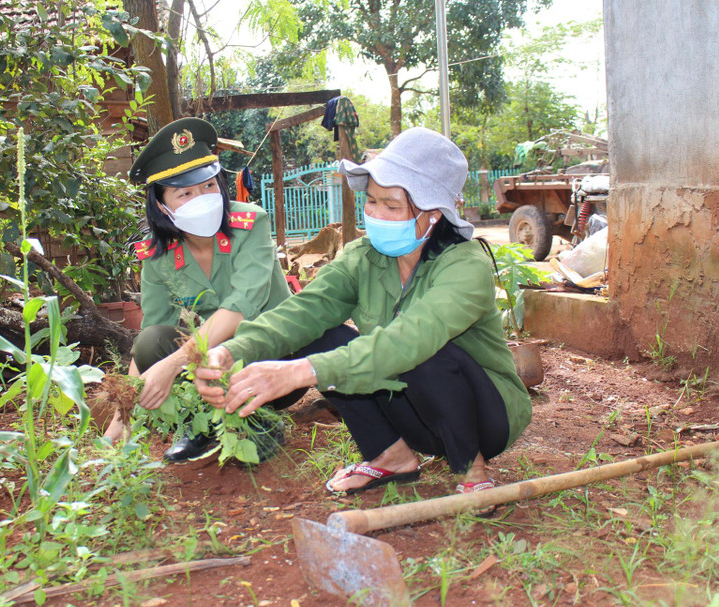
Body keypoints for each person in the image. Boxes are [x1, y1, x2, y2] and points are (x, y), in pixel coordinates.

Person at [194, 127, 532, 496]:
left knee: (422, 352)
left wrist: (298, 373)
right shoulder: (362, 258)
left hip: (484, 417)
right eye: (371, 201)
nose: (374, 214)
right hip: (413, 412)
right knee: (321, 336)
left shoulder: (464, 265)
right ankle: (390, 456)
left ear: (434, 215)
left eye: (391, 205)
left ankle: (471, 468)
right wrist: (232, 350)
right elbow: (304, 311)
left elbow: (411, 339)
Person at [104, 117, 291, 462]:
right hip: (210, 359)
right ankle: (198, 426)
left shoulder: (251, 224)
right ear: (161, 205)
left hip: (273, 350)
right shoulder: (157, 254)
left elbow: (241, 307)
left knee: (218, 344)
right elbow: (153, 332)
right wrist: (122, 414)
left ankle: (262, 420)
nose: (201, 198)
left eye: (208, 186)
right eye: (185, 193)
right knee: (151, 343)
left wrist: (174, 365)